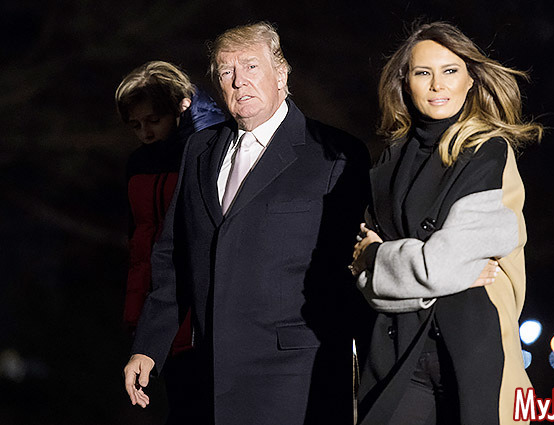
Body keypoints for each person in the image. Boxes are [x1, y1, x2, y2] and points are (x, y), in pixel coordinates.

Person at [122, 22, 370, 425]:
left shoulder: (334, 153)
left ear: (282, 74)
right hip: (210, 375)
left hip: (298, 379)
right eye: (226, 71)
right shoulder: (199, 151)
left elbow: (353, 270)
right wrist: (148, 346)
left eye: (251, 66)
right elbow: (174, 258)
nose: (239, 81)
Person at [351, 22, 543, 425]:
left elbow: (436, 266)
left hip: (474, 352)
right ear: (405, 83)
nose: (437, 85)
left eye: (450, 70)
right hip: (398, 353)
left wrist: (379, 258)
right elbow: (365, 281)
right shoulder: (389, 162)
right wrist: (409, 270)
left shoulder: (488, 153)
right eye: (423, 73)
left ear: (471, 79)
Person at [115, 60, 225, 424]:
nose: (145, 131)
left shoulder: (210, 151)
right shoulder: (138, 163)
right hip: (158, 298)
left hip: (199, 303)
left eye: (153, 120)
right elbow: (139, 239)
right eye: (135, 124)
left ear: (180, 108)